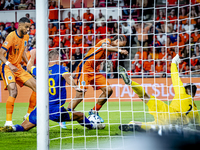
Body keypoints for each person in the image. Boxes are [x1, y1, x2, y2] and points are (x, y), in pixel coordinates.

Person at [0, 50, 106, 132]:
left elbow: (29, 67)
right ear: (57, 57)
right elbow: (68, 78)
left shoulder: (41, 69)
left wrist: (32, 55)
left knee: (24, 127)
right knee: (81, 115)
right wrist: (74, 86)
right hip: (56, 111)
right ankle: (93, 126)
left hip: (41, 108)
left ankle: (12, 128)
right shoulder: (61, 68)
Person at [118, 54, 200, 133]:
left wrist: (174, 62)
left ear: (185, 89)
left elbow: (175, 76)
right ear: (194, 94)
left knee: (145, 96)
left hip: (170, 114)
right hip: (176, 126)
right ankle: (134, 125)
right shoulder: (195, 111)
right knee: (153, 126)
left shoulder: (182, 92)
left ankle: (130, 83)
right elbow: (198, 126)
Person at [67, 35, 128, 123]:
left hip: (94, 71)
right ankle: (64, 116)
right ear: (117, 41)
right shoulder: (106, 41)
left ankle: (94, 111)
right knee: (80, 96)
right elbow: (104, 47)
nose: (121, 47)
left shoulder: (110, 51)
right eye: (121, 45)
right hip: (85, 68)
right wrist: (120, 50)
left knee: (108, 90)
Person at [0, 17, 36, 127]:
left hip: (19, 68)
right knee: (13, 91)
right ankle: (8, 123)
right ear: (19, 26)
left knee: (38, 87)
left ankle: (29, 114)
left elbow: (23, 52)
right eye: (26, 27)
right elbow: (1, 53)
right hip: (7, 68)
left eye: (29, 27)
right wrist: (9, 64)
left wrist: (30, 66)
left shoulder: (26, 36)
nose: (28, 30)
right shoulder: (11, 36)